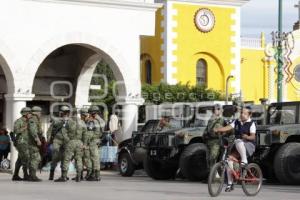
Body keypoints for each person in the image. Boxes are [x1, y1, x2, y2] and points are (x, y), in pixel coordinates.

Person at [214, 106, 256, 192]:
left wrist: (247, 137)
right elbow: (228, 127)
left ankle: (244, 160)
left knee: (238, 141)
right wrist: (219, 129)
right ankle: (230, 184)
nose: (242, 115)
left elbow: (253, 136)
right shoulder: (237, 121)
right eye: (241, 113)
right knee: (229, 161)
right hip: (238, 146)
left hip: (249, 146)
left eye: (245, 113)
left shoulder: (252, 123)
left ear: (249, 115)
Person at [56, 109, 86, 182]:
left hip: (71, 142)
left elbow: (63, 132)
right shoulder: (82, 122)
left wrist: (67, 140)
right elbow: (85, 134)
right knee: (78, 159)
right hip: (79, 142)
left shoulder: (68, 122)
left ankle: (64, 176)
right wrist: (84, 144)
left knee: (66, 159)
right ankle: (78, 176)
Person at [48, 106, 72, 181]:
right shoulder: (56, 121)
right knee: (55, 156)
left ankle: (63, 175)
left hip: (67, 141)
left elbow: (74, 132)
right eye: (63, 112)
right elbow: (50, 130)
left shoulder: (71, 121)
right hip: (57, 140)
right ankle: (51, 174)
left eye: (66, 112)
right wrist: (49, 138)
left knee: (65, 158)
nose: (64, 114)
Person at [12, 107, 31, 181]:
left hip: (27, 142)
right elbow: (16, 131)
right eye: (29, 113)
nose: (30, 115)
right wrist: (24, 128)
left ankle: (15, 175)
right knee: (25, 158)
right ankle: (25, 175)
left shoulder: (29, 121)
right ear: (25, 114)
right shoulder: (19, 121)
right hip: (21, 142)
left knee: (20, 159)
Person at [83, 106, 102, 181]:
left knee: (94, 158)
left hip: (92, 141)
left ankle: (95, 175)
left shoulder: (92, 121)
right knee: (95, 158)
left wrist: (85, 143)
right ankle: (95, 175)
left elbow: (89, 133)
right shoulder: (99, 120)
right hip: (96, 140)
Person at [204, 104, 224, 170]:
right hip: (209, 141)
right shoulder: (211, 119)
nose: (215, 111)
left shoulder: (220, 119)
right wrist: (205, 135)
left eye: (218, 109)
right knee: (208, 159)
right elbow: (207, 129)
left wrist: (208, 133)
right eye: (214, 109)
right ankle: (209, 175)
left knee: (213, 158)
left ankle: (212, 176)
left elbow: (214, 131)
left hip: (216, 141)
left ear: (221, 111)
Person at [27, 109, 43, 182]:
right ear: (36, 113)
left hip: (32, 143)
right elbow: (33, 131)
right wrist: (37, 140)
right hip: (32, 143)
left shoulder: (36, 120)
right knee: (36, 158)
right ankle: (33, 176)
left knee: (33, 159)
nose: (40, 114)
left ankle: (31, 175)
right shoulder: (33, 120)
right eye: (40, 112)